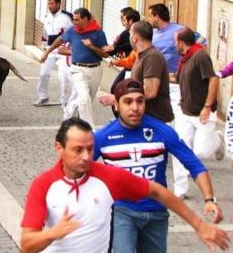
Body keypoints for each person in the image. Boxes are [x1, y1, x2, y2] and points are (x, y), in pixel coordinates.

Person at [20, 117, 230, 253]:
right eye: (77, 150)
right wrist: (53, 233)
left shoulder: (107, 176)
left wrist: (200, 226)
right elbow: (27, 244)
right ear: (59, 148)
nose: (86, 156)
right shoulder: (43, 185)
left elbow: (157, 191)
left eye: (90, 149)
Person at [94, 79, 223, 252]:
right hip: (122, 212)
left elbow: (194, 165)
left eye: (140, 101)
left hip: (157, 214)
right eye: (128, 101)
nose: (135, 107)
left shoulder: (162, 131)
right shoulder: (103, 137)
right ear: (116, 105)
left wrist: (209, 199)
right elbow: (75, 168)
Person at [172, 27, 225, 199]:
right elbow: (176, 78)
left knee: (200, 152)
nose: (174, 44)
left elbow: (213, 79)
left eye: (175, 41)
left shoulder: (200, 56)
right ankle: (180, 189)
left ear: (181, 42)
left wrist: (208, 106)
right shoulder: (184, 59)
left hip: (203, 112)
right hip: (184, 112)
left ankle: (217, 141)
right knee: (180, 149)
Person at [40, 8, 108, 127]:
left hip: (95, 69)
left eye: (76, 20)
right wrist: (47, 52)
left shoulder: (98, 33)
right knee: (84, 99)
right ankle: (90, 129)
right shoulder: (72, 31)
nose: (74, 22)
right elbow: (59, 40)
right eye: (73, 20)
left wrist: (92, 46)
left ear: (85, 19)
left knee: (86, 101)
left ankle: (68, 118)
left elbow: (105, 54)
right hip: (77, 69)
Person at [99, 21, 174, 123]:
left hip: (155, 120)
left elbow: (150, 92)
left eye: (130, 34)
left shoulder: (152, 57)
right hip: (144, 118)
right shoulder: (141, 55)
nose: (129, 38)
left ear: (135, 38)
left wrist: (118, 99)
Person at [35, 0, 73, 107]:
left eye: (51, 4)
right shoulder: (47, 16)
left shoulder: (67, 17)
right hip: (50, 50)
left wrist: (70, 48)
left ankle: (64, 101)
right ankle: (43, 97)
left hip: (63, 50)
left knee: (63, 77)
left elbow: (74, 32)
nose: (49, 6)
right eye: (48, 4)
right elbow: (45, 33)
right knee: (43, 74)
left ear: (58, 4)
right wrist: (44, 47)